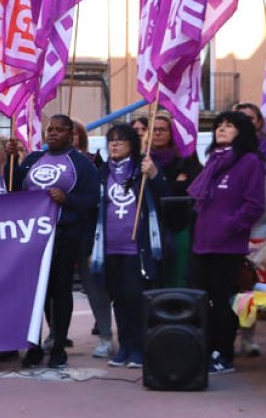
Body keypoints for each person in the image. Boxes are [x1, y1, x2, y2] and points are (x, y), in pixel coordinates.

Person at [9, 114, 99, 370]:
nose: (53, 133)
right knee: (36, 292)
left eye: (59, 130)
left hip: (64, 236)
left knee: (60, 291)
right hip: (33, 237)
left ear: (70, 134)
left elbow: (92, 201)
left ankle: (59, 345)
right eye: (50, 129)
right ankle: (34, 345)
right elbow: (14, 188)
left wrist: (66, 199)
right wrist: (10, 161)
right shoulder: (34, 159)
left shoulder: (82, 164)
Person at [187, 111, 266, 375]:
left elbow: (254, 205)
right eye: (219, 125)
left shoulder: (250, 162)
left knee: (222, 303)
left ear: (242, 132)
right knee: (203, 301)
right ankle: (206, 349)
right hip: (202, 242)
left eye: (229, 125)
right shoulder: (213, 160)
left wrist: (229, 225)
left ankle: (224, 354)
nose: (221, 129)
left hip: (228, 245)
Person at [91, 124, 164, 369]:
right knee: (118, 299)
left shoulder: (143, 169)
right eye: (111, 140)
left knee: (135, 298)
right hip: (109, 247)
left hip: (136, 248)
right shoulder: (102, 172)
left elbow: (165, 196)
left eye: (121, 140)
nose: (115, 144)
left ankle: (140, 349)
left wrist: (154, 175)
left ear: (133, 144)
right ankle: (125, 347)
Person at [232, 103, 266, 356]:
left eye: (250, 118)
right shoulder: (225, 149)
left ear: (259, 122)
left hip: (261, 225)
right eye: (240, 118)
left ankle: (248, 336)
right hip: (232, 226)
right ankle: (227, 334)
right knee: (230, 281)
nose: (245, 121)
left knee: (251, 284)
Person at [73, 119, 112, 358]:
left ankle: (105, 334)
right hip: (58, 236)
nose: (71, 137)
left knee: (95, 287)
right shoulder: (43, 161)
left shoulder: (95, 162)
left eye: (75, 133)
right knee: (55, 290)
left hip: (88, 235)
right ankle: (54, 335)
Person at [149, 113, 201, 287]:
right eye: (154, 129)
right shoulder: (144, 161)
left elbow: (187, 189)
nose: (157, 133)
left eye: (162, 129)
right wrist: (173, 184)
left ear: (172, 133)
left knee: (178, 274)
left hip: (179, 223)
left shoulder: (185, 160)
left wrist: (163, 182)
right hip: (152, 224)